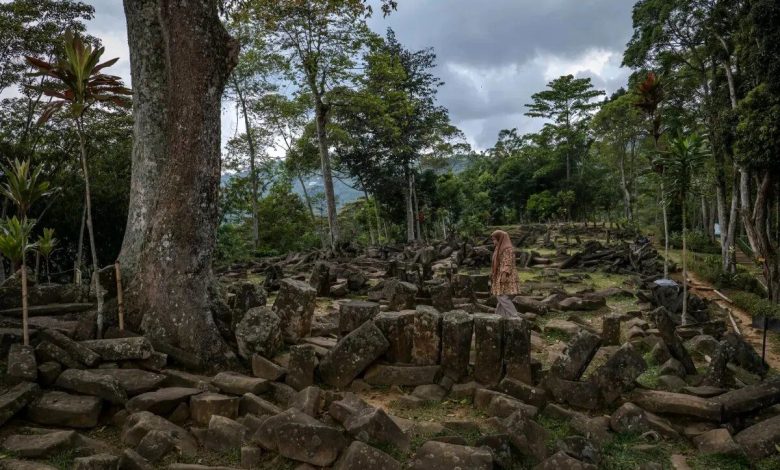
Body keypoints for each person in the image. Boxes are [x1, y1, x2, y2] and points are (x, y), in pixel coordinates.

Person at [490, 229, 520, 317]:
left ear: (500, 238)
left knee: (501, 296)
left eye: (494, 239)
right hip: (500, 273)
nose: (493, 242)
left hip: (506, 274)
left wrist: (504, 274)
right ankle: (499, 316)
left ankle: (514, 315)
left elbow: (508, 262)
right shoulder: (498, 248)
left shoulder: (507, 249)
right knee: (500, 296)